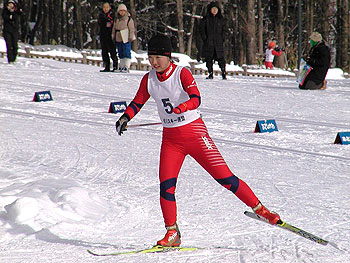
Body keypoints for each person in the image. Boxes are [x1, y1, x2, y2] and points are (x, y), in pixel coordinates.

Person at [115, 35, 280, 247]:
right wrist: (125, 117)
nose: (154, 62)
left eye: (158, 57)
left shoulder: (181, 73)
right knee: (166, 186)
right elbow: (138, 101)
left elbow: (196, 98)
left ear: (168, 56)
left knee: (226, 178)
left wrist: (182, 107)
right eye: (150, 57)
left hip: (195, 133)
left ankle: (262, 211)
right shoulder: (149, 79)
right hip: (171, 139)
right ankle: (172, 233)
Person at [199, 2, 226, 80]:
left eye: (216, 9)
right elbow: (201, 30)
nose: (214, 11)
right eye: (213, 9)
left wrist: (222, 39)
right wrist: (205, 39)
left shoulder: (221, 19)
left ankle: (223, 73)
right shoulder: (206, 19)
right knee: (209, 59)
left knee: (221, 59)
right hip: (209, 43)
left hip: (218, 43)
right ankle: (210, 73)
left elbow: (224, 30)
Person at [111, 4, 136, 73]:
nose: (122, 12)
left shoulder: (129, 19)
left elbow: (131, 29)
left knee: (126, 52)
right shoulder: (117, 19)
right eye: (120, 11)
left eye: (123, 11)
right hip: (118, 37)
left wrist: (130, 37)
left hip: (126, 37)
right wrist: (113, 36)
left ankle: (126, 66)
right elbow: (114, 28)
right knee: (120, 52)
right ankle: (121, 66)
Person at [98, 2, 118, 72]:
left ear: (109, 8)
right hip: (103, 35)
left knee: (112, 51)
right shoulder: (101, 15)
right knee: (104, 52)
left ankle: (115, 66)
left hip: (110, 36)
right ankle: (107, 66)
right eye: (104, 7)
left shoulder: (112, 14)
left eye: (107, 7)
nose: (105, 9)